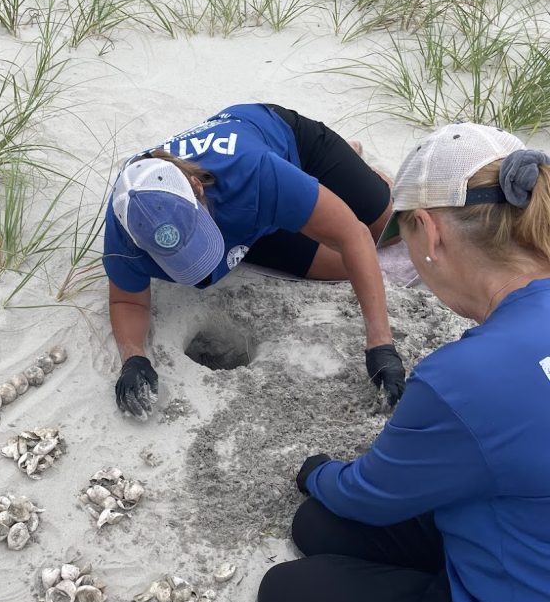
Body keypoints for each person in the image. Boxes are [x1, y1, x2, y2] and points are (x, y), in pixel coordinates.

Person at [258, 122, 550, 602]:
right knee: (320, 529)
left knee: (288, 593)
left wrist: (316, 471)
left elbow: (367, 494)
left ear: (432, 234)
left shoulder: (468, 379)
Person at [103, 103, 406, 419]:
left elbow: (352, 235)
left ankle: (349, 161)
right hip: (250, 220)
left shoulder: (253, 173)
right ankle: (308, 199)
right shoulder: (127, 224)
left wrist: (380, 342)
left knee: (386, 230)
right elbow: (127, 301)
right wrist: (133, 359)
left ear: (197, 188)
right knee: (342, 267)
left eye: (196, 239)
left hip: (293, 147)